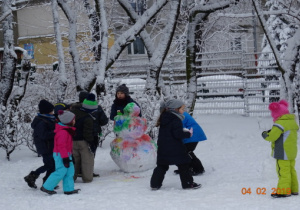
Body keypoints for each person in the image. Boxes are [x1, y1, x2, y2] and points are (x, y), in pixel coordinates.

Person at [150, 99, 201, 190]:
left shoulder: (164, 117)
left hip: (163, 147)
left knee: (162, 165)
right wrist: (188, 134)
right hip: (175, 148)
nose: (183, 111)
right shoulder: (175, 119)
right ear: (175, 109)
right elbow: (178, 134)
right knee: (184, 164)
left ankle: (155, 184)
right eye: (182, 109)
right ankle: (188, 183)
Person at [262, 99, 299, 198]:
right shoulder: (292, 122)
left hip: (282, 152)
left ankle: (284, 191)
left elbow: (272, 136)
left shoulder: (279, 124)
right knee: (291, 170)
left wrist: (265, 134)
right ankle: (294, 189)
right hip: (292, 152)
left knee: (283, 171)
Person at [41, 110, 80, 195]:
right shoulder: (63, 132)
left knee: (70, 171)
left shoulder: (67, 130)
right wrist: (65, 158)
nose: (74, 121)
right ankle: (47, 187)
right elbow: (61, 146)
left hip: (66, 154)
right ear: (68, 121)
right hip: (60, 155)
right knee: (61, 171)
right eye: (73, 120)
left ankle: (69, 189)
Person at [71, 91, 108, 177]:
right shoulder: (97, 108)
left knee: (76, 155)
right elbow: (104, 121)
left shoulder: (73, 108)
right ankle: (87, 171)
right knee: (90, 153)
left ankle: (76, 171)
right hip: (93, 134)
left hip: (76, 135)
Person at [24, 99, 56, 189]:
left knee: (52, 165)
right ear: (47, 111)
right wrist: (56, 132)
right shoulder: (41, 122)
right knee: (50, 165)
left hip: (49, 146)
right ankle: (32, 176)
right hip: (45, 147)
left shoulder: (47, 119)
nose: (53, 112)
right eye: (51, 111)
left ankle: (47, 182)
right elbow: (44, 135)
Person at [71, 93, 98, 183]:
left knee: (74, 160)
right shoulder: (88, 118)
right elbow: (87, 133)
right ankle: (87, 178)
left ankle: (71, 177)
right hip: (84, 142)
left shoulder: (72, 112)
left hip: (72, 141)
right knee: (87, 160)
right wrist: (92, 143)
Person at [174, 112, 207, 176]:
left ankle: (198, 169)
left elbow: (179, 129)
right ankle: (187, 168)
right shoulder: (179, 113)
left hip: (193, 136)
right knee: (185, 151)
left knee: (186, 151)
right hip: (191, 135)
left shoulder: (179, 115)